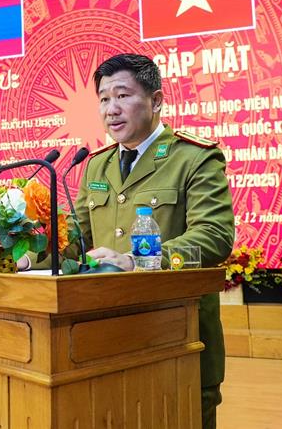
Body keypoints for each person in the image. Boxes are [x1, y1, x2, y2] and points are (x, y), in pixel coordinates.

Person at [74, 53, 234, 429]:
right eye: (103, 99)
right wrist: (20, 253)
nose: (111, 109)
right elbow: (73, 237)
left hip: (177, 335)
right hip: (106, 339)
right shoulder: (96, 164)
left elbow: (214, 237)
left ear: (156, 100)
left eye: (122, 95)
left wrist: (139, 260)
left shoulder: (194, 158)